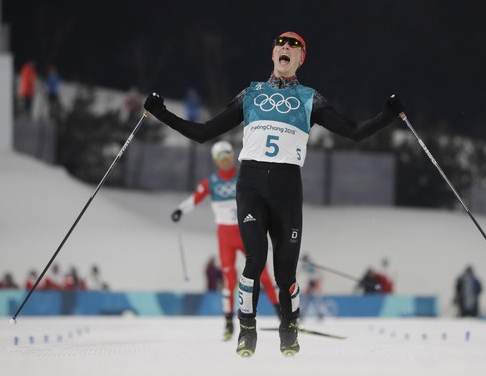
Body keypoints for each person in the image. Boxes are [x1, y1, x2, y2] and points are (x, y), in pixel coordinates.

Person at [144, 31, 404, 357]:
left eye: (294, 46)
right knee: (255, 259)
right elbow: (204, 133)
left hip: (287, 188)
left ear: (300, 59)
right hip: (250, 184)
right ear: (273, 54)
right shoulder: (251, 93)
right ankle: (246, 329)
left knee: (285, 272)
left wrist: (387, 115)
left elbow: (353, 133)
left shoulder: (310, 98)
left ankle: (288, 328)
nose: (285, 48)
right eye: (281, 44)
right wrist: (161, 113)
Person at [170, 140, 281, 341]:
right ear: (215, 160)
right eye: (220, 157)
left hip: (247, 230)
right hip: (225, 236)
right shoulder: (211, 181)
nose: (225, 160)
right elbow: (195, 198)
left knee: (263, 275)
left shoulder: (243, 177)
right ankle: (229, 322)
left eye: (228, 155)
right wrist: (180, 210)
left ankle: (281, 315)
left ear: (233, 156)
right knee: (229, 280)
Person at [299, 254, 324, 320]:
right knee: (305, 297)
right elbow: (298, 272)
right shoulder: (303, 265)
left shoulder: (313, 263)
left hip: (316, 280)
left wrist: (316, 280)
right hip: (310, 281)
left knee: (317, 297)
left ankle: (320, 313)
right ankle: (302, 313)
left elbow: (319, 272)